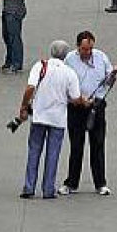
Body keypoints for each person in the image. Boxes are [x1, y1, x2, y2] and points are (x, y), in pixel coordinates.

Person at [18, 40, 85, 199]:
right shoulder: (69, 73)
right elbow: (75, 98)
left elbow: (30, 88)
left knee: (34, 151)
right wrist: (83, 100)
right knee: (53, 153)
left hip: (40, 116)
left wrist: (24, 106)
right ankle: (48, 189)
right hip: (58, 118)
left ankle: (29, 186)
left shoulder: (40, 66)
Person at [60, 32, 117, 196]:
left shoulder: (101, 57)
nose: (87, 52)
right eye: (84, 49)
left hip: (96, 105)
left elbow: (108, 82)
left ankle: (100, 183)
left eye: (90, 49)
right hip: (76, 107)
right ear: (78, 47)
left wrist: (114, 74)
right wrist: (78, 99)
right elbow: (64, 82)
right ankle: (71, 183)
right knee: (76, 146)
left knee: (98, 144)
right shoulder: (69, 60)